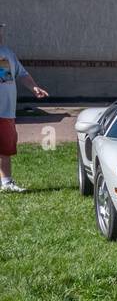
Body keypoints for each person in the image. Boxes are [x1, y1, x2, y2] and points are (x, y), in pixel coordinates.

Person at [0, 23, 50, 193]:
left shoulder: (7, 53)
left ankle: (6, 183)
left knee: (5, 148)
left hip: (6, 111)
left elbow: (21, 73)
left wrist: (34, 87)